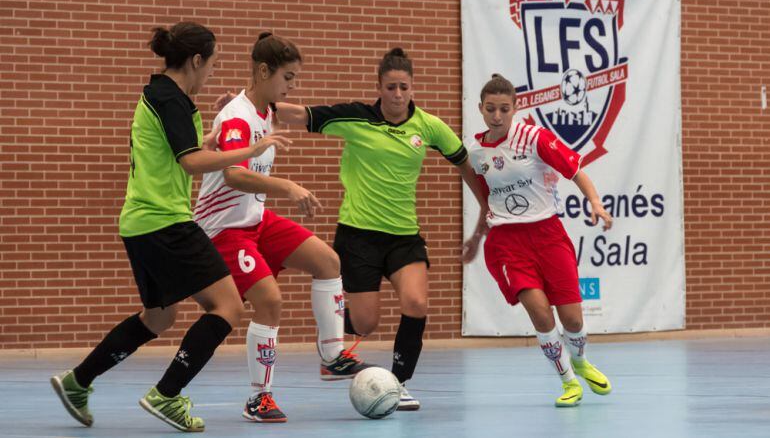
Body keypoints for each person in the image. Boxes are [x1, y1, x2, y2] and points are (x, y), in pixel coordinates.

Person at [49, 22, 290, 432]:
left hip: (140, 223)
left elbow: (182, 151)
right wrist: (252, 149)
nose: (212, 74)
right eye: (211, 65)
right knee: (228, 306)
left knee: (158, 318)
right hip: (165, 222)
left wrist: (210, 141)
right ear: (196, 61)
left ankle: (77, 382)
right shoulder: (172, 99)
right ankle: (168, 394)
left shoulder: (161, 94)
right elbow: (189, 162)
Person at [218, 47, 489, 410]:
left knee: (417, 302)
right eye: (390, 87)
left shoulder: (428, 126)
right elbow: (299, 114)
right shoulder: (355, 117)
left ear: (412, 88)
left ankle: (400, 383)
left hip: (404, 236)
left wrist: (485, 210)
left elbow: (464, 164)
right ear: (379, 87)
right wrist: (247, 106)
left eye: (403, 87)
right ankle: (334, 337)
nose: (397, 94)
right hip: (358, 236)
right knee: (364, 324)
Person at [195, 32, 371, 424]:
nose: (292, 86)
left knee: (328, 261)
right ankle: (259, 398)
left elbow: (309, 113)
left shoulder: (265, 109)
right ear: (262, 71)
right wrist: (287, 186)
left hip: (256, 220)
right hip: (225, 228)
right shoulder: (239, 116)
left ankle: (332, 356)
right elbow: (235, 175)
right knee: (270, 301)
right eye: (288, 77)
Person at [461, 74, 613, 407]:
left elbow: (577, 172)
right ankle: (568, 382)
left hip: (547, 234)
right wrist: (476, 237)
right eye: (490, 109)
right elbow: (487, 202)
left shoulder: (533, 137)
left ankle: (580, 360)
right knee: (541, 315)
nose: (497, 116)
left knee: (572, 319)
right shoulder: (474, 153)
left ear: (515, 108)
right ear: (480, 109)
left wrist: (596, 203)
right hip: (506, 241)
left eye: (504, 109)